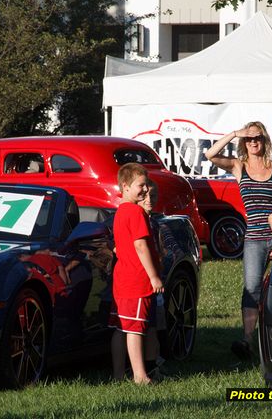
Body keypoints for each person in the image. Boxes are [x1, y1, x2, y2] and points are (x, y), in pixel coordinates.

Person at [205, 122, 272, 360]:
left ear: (265, 140)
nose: (253, 142)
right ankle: (248, 340)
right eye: (249, 139)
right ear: (243, 142)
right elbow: (210, 155)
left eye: (257, 137)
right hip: (254, 239)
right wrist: (234, 133)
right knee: (251, 289)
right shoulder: (239, 166)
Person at [109, 163, 163, 384]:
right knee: (135, 328)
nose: (144, 190)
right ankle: (140, 375)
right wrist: (153, 276)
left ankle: (118, 374)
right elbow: (141, 246)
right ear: (125, 186)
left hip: (121, 280)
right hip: (136, 279)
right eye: (141, 185)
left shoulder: (120, 211)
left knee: (121, 327)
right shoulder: (136, 212)